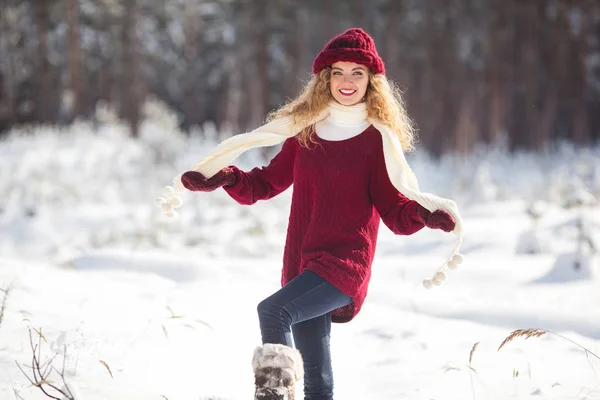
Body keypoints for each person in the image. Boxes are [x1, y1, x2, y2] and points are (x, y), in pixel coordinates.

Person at [168, 28, 463, 400]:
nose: (347, 81)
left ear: (372, 81)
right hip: (304, 264)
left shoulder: (376, 140)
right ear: (325, 78)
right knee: (318, 380)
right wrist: (225, 176)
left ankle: (273, 396)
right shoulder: (305, 131)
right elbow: (264, 185)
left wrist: (425, 214)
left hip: (345, 265)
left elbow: (395, 211)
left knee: (273, 312)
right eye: (338, 72)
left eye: (357, 73)